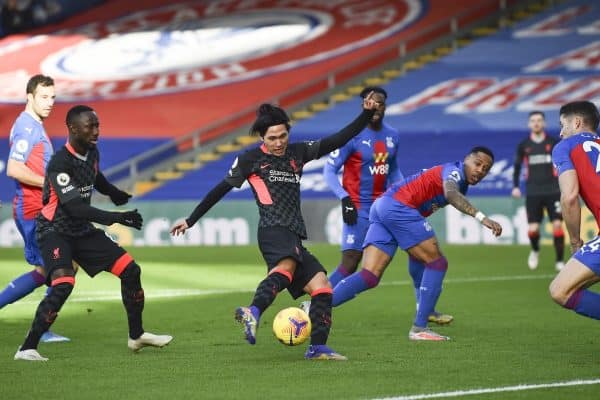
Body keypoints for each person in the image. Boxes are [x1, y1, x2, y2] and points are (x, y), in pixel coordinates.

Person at [170, 94, 380, 360]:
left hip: (292, 231)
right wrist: (191, 220)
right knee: (286, 269)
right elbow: (220, 189)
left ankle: (317, 348)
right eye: (272, 138)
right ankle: (253, 311)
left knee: (322, 286)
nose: (279, 142)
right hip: (272, 227)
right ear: (261, 138)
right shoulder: (250, 159)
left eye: (283, 136)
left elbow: (338, 138)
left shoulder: (298, 153)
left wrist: (364, 115)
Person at [14, 105, 172, 361]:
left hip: (80, 229)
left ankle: (136, 336)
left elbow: (96, 177)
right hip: (55, 230)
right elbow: (75, 207)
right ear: (73, 128)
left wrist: (114, 193)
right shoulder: (59, 164)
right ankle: (27, 348)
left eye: (98, 126)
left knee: (130, 270)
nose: (97, 131)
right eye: (91, 126)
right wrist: (116, 218)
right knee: (64, 283)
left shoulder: (91, 151)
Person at [331, 147, 502, 341]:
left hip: (383, 205)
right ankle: (420, 328)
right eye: (477, 164)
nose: (480, 170)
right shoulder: (454, 172)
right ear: (466, 160)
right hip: (399, 207)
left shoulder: (459, 179)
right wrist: (482, 218)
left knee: (370, 275)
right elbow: (451, 194)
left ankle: (318, 305)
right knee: (437, 263)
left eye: (485, 168)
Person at [319, 86, 452, 326]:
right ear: (363, 106)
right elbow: (329, 170)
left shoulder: (392, 136)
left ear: (385, 105)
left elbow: (392, 170)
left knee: (419, 254)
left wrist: (407, 194)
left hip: (387, 208)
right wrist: (343, 197)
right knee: (350, 262)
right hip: (358, 207)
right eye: (370, 102)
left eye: (380, 102)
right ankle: (317, 304)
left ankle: (427, 309)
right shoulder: (351, 136)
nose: (376, 106)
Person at [0, 74, 69, 342]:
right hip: (33, 210)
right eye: (43, 97)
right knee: (57, 268)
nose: (50, 102)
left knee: (54, 269)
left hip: (39, 209)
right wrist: (50, 185)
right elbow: (15, 169)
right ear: (29, 97)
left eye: (53, 97)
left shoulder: (33, 125)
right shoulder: (27, 128)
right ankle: (41, 331)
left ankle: (42, 328)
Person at [549, 101, 600, 325]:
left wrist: (576, 241)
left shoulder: (565, 146)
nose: (561, 132)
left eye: (563, 125)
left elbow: (570, 197)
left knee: (561, 290)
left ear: (577, 122)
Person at [512, 111, 564, 271]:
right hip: (533, 192)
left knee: (557, 225)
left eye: (539, 120)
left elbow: (563, 165)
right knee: (533, 229)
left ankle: (560, 261)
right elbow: (517, 166)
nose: (536, 123)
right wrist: (515, 186)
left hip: (553, 190)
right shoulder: (524, 145)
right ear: (529, 124)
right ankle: (535, 250)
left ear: (544, 123)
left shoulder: (554, 142)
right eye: (533, 120)